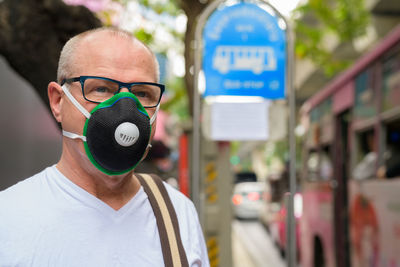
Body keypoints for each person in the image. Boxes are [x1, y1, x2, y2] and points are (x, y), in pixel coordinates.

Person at [0, 27, 209, 266]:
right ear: (58, 101)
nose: (125, 109)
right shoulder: (8, 218)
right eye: (101, 89)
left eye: (142, 93)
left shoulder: (178, 213)